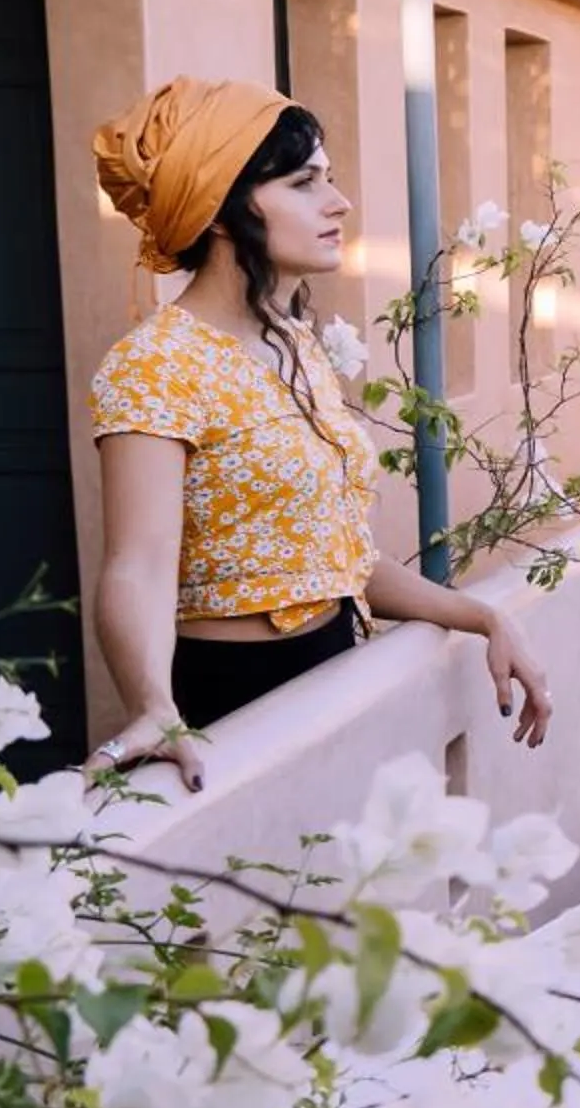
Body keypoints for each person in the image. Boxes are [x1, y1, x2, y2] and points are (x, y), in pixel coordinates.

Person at [82, 77, 550, 791]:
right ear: (221, 209)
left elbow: (336, 558)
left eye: (328, 179)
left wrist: (481, 616)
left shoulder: (294, 345)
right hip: (231, 697)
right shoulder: (155, 365)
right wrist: (153, 705)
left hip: (334, 668)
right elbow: (137, 565)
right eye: (305, 183)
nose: (339, 202)